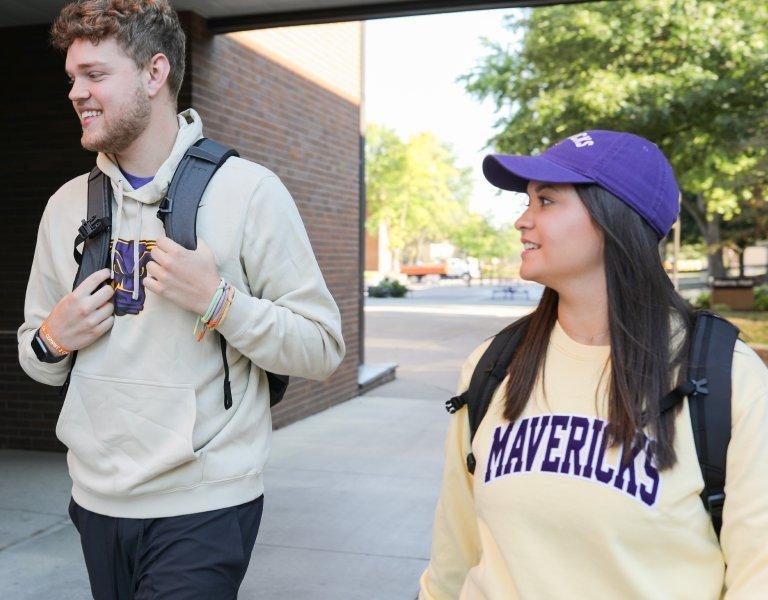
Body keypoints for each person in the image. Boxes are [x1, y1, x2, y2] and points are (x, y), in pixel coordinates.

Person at [17, 1, 345, 597]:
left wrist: (220, 302)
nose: (76, 92)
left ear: (154, 72)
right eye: (71, 77)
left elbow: (321, 349)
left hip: (206, 503)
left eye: (95, 74)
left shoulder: (249, 192)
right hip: (96, 502)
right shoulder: (66, 206)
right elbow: (35, 354)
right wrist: (53, 338)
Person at [419, 130, 768, 598]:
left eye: (546, 201)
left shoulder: (727, 377)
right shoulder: (493, 364)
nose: (522, 221)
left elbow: (757, 573)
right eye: (526, 202)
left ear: (613, 218)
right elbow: (454, 545)